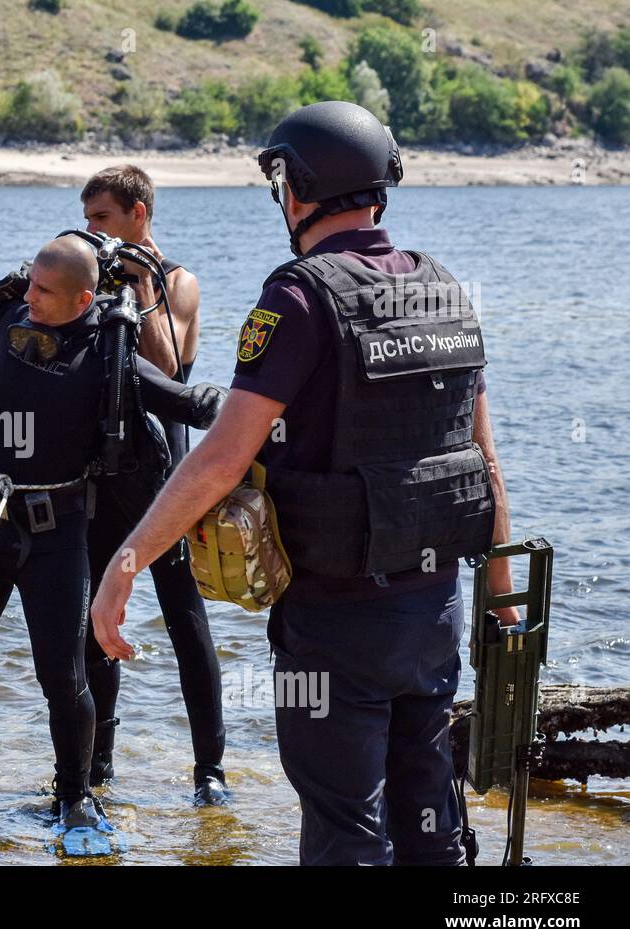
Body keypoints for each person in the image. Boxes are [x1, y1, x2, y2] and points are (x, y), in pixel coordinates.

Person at [90, 101, 518, 865]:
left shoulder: (298, 295)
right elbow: (485, 462)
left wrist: (125, 563)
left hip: (334, 621)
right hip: (435, 614)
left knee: (343, 832)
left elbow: (221, 458)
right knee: (432, 827)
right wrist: (503, 601)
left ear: (297, 187)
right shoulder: (445, 289)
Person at [0, 228, 225, 833]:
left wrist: (244, 403)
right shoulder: (11, 319)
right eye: (30, 285)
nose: (31, 297)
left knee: (64, 677)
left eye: (46, 291)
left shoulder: (110, 354)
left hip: (56, 534)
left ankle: (74, 798)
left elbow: (183, 401)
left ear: (83, 300)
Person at [78, 165, 226, 803]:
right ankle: (98, 764)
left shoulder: (178, 284)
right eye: (86, 221)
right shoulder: (90, 278)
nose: (92, 232)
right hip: (101, 478)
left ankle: (209, 772)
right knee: (96, 618)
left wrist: (140, 284)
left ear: (138, 215)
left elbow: (166, 365)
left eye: (102, 219)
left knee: (185, 619)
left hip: (166, 481)